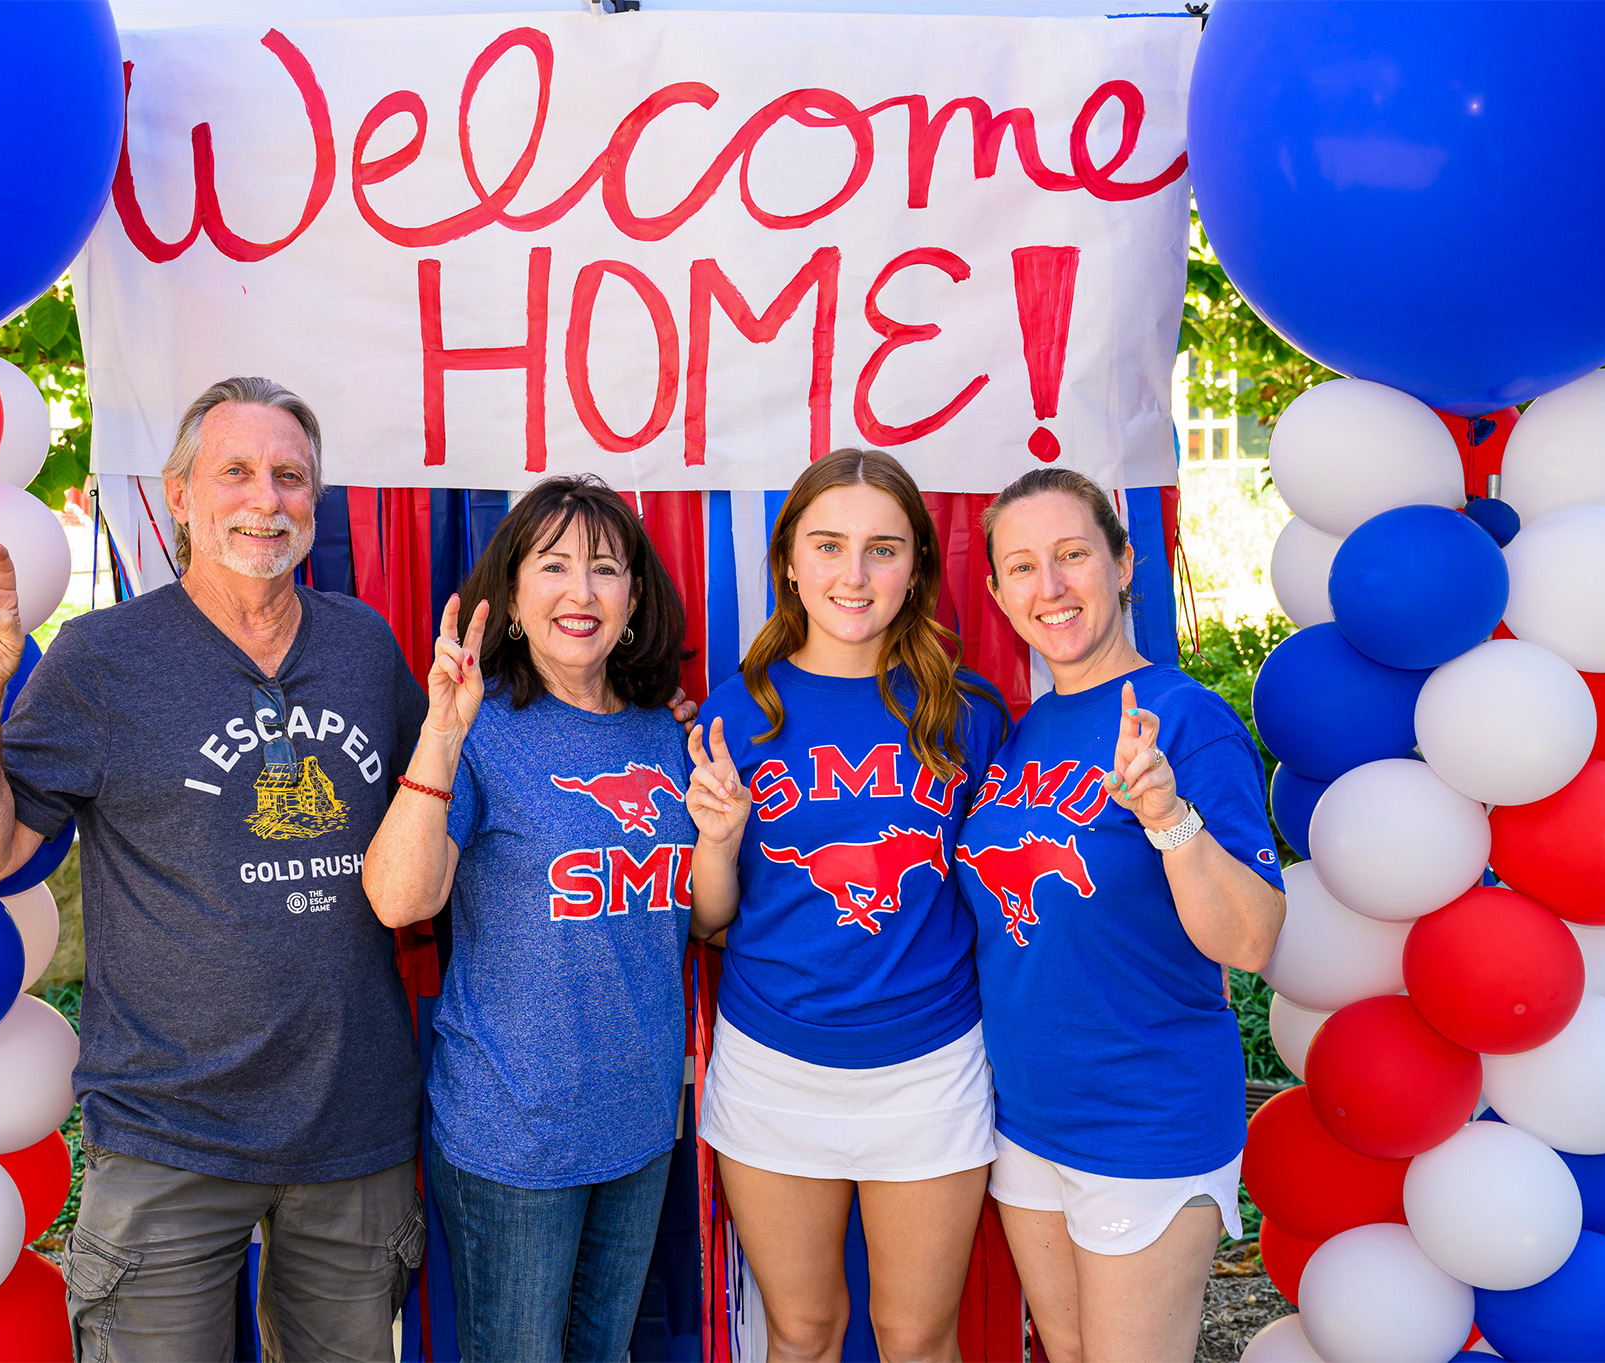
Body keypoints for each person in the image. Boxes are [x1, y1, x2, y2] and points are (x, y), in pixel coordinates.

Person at [0, 376, 428, 1362]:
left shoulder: (367, 646)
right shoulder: (103, 658)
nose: (264, 500)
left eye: (290, 477)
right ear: (179, 495)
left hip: (354, 1129)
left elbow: (438, 814)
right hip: (169, 1135)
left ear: (313, 503)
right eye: (234, 472)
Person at [954, 467, 1286, 1363]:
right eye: (1021, 567)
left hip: (1146, 1117)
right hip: (1026, 1120)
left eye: (1072, 556)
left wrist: (1168, 817)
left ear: (1124, 560)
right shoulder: (1020, 732)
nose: (1049, 587)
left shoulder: (1185, 719)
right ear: (995, 591)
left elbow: (1251, 941)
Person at [682, 448, 1007, 1363]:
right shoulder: (736, 713)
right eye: (827, 545)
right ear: (789, 558)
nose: (853, 575)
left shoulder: (967, 714)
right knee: (802, 1328)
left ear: (917, 568)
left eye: (882, 548)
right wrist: (715, 837)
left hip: (929, 1066)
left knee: (914, 1335)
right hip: (773, 1064)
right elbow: (708, 921)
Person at [364, 475, 698, 1363]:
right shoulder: (482, 730)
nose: (580, 592)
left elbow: (701, 910)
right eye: (552, 566)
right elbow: (400, 899)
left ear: (634, 597)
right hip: (514, 1136)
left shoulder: (666, 733)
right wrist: (441, 731)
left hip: (637, 1124)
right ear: (511, 596)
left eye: (604, 568)